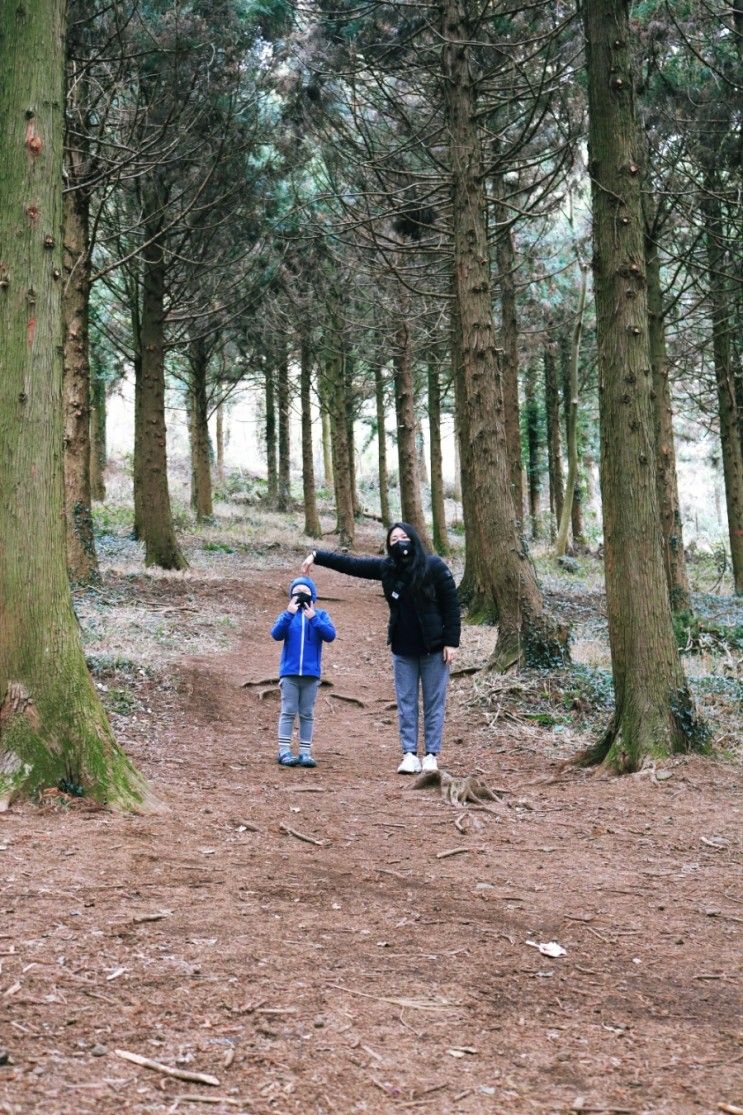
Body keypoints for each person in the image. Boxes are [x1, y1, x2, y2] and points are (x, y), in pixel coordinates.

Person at [302, 522, 460, 774]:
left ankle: (431, 755)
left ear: (414, 539)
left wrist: (452, 642)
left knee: (434, 702)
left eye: (404, 537)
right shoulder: (387, 568)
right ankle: (409, 754)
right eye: (394, 539)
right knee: (406, 701)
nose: (399, 542)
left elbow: (451, 605)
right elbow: (352, 565)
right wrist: (317, 556)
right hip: (403, 648)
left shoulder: (434, 567)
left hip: (435, 648)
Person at [271, 576, 336, 768]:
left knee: (307, 713)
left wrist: (314, 618)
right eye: (296, 592)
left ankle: (305, 752)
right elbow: (276, 634)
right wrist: (288, 614)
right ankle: (284, 751)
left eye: (305, 592)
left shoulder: (321, 615)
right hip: (289, 674)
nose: (300, 595)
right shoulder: (287, 615)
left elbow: (330, 635)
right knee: (288, 711)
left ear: (313, 595)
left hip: (311, 675)